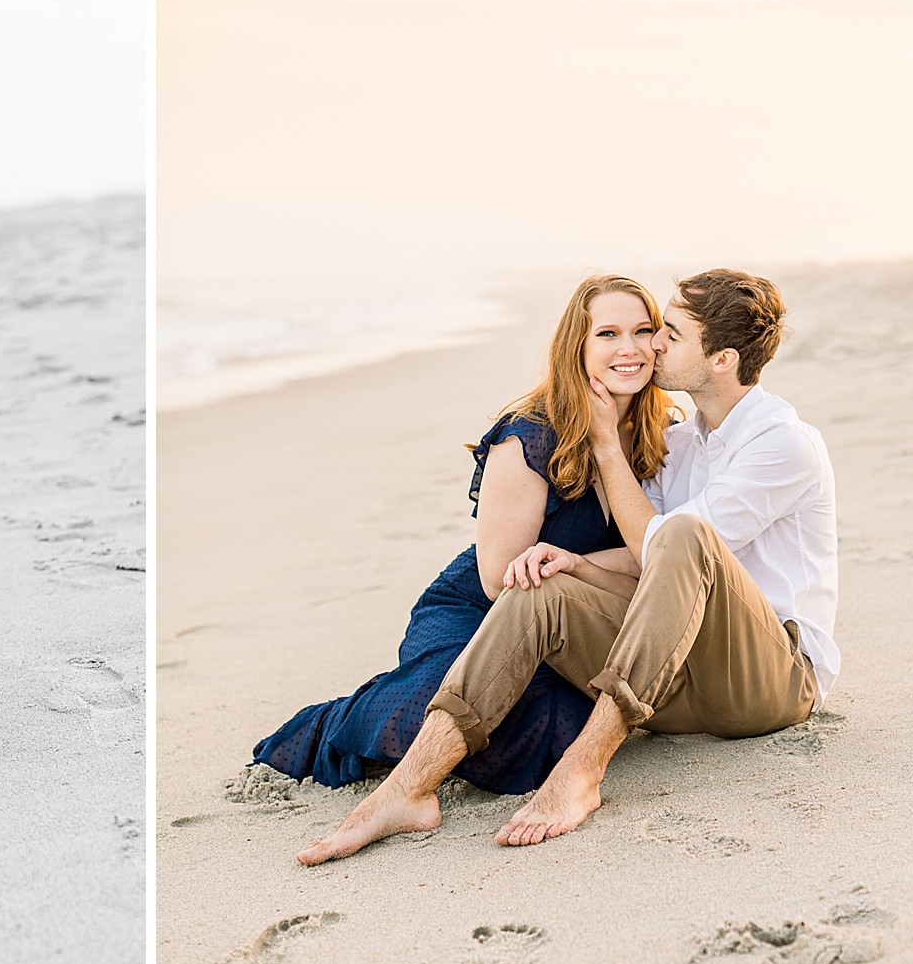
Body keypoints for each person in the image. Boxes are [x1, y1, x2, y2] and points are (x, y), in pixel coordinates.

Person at [299, 269, 835, 864]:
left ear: (721, 360)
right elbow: (649, 567)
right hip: (678, 678)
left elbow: (669, 547)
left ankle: (582, 771)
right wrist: (570, 564)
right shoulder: (683, 443)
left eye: (670, 334)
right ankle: (407, 789)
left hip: (772, 680)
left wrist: (607, 447)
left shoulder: (782, 442)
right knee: (537, 587)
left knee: (684, 532)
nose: (652, 345)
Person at [255, 274, 678, 796]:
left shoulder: (663, 432)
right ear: (577, 347)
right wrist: (594, 566)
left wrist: (579, 564)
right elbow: (499, 578)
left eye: (642, 331)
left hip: (575, 618)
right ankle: (324, 730)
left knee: (557, 725)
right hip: (480, 610)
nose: (630, 349)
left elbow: (661, 555)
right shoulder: (531, 434)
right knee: (467, 710)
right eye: (608, 334)